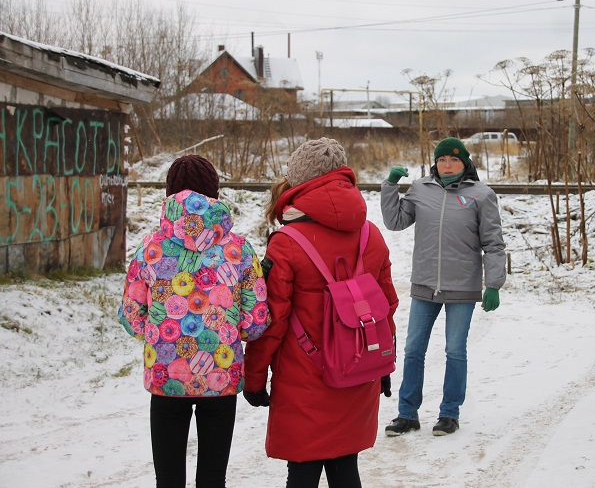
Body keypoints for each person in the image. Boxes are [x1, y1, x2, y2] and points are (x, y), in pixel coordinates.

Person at [243, 137, 399, 488]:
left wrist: (253, 379)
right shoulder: (370, 235)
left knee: (302, 472)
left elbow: (272, 322)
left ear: (299, 180)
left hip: (305, 378)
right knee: (346, 467)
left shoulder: (287, 242)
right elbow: (386, 306)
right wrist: (384, 361)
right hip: (359, 368)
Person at [118, 154, 269, 488]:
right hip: (220, 375)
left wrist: (157, 334)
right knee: (213, 479)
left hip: (165, 376)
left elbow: (131, 315)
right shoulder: (240, 250)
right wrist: (228, 330)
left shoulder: (149, 248)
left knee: (168, 480)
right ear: (214, 191)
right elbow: (257, 321)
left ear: (170, 192)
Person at [381, 137, 506, 437]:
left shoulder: (481, 195)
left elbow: (493, 242)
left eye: (453, 160)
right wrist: (390, 186)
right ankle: (407, 414)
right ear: (435, 163)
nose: (447, 165)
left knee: (455, 351)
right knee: (413, 350)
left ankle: (449, 413)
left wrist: (494, 284)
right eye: (441, 160)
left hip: (462, 286)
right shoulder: (421, 190)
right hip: (425, 283)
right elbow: (395, 221)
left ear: (465, 163)